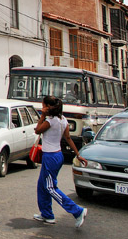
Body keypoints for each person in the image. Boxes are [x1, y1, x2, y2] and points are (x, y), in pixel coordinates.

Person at [33, 95, 88, 228]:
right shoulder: (63, 120)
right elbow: (68, 138)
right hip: (57, 155)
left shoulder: (50, 121)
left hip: (50, 156)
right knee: (42, 185)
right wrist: (78, 154)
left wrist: (42, 116)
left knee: (50, 188)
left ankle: (77, 211)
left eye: (43, 105)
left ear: (47, 107)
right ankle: (47, 214)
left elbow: (37, 130)